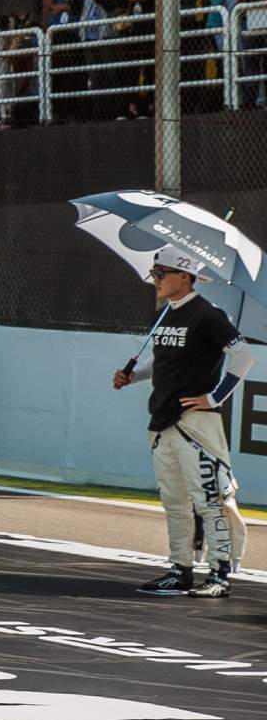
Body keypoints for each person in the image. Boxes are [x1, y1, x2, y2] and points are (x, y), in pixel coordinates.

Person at [112, 255, 252, 597]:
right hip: (162, 419)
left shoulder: (208, 314)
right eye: (154, 272)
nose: (155, 279)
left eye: (162, 273)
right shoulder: (166, 313)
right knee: (174, 500)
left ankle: (219, 573)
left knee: (210, 498)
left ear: (186, 276)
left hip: (196, 423)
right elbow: (160, 361)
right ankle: (180, 567)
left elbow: (243, 355)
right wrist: (132, 377)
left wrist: (215, 397)